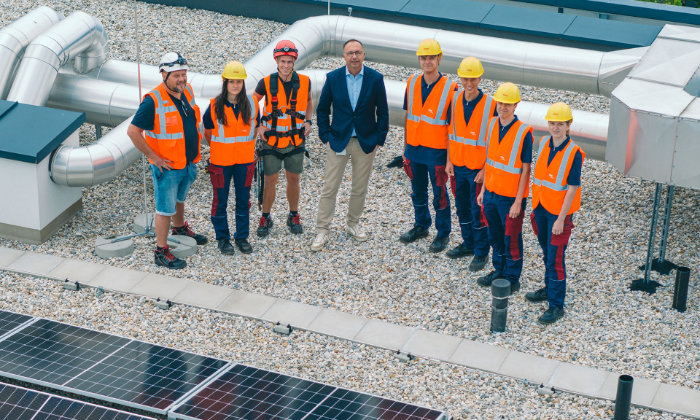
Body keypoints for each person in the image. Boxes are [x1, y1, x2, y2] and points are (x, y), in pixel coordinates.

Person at [127, 52, 207, 270]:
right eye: (176, 75)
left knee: (179, 199)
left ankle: (179, 228)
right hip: (168, 167)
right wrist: (154, 157)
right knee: (164, 209)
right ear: (164, 74)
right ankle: (161, 251)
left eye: (183, 74)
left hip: (187, 161)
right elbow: (133, 132)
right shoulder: (152, 101)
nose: (181, 79)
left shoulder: (187, 90)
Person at [311, 39, 389, 252]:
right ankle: (322, 229)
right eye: (350, 53)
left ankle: (353, 223)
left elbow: (383, 111)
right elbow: (322, 109)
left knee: (359, 188)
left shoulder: (375, 79)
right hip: (338, 141)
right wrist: (325, 136)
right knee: (330, 187)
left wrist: (378, 139)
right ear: (343, 56)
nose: (354, 56)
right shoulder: (333, 78)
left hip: (365, 142)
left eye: (357, 52)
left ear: (363, 55)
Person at [526, 102, 584, 325]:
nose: (556, 127)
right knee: (547, 253)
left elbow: (572, 188)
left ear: (568, 125)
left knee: (556, 258)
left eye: (560, 124)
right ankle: (549, 289)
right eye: (552, 123)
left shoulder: (574, 153)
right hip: (541, 208)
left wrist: (561, 219)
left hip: (558, 215)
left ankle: (556, 305)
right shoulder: (544, 143)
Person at [400, 38, 458, 253]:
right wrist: (405, 148)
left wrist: (450, 159)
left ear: (439, 59)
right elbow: (409, 116)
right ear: (419, 60)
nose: (427, 61)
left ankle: (443, 233)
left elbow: (453, 128)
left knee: (439, 194)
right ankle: (421, 225)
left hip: (436, 152)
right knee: (417, 192)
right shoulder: (412, 82)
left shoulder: (450, 88)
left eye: (431, 57)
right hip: (415, 149)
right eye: (423, 58)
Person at [476, 82, 533, 294]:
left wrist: (518, 202)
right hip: (491, 193)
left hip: (510, 198)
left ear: (516, 105)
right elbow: (489, 160)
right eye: (500, 103)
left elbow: (526, 170)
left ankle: (512, 278)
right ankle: (499, 270)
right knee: (495, 235)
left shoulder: (523, 133)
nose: (503, 107)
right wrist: (483, 190)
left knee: (512, 238)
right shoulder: (492, 124)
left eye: (508, 104)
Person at [253, 40, 312, 237]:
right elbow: (252, 102)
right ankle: (266, 216)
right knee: (270, 181)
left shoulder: (305, 81)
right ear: (276, 61)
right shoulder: (265, 82)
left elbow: (309, 101)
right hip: (271, 141)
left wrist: (308, 121)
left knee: (294, 179)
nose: (286, 65)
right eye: (282, 61)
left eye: (289, 61)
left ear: (294, 61)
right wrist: (258, 125)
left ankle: (293, 214)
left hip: (295, 140)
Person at [445, 57, 497, 272]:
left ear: (480, 78)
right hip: (458, 165)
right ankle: (468, 243)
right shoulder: (455, 99)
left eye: (473, 79)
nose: (469, 83)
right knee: (462, 208)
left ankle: (481, 251)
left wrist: (485, 169)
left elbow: (496, 141)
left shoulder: (491, 105)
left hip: (477, 169)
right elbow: (451, 132)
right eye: (465, 79)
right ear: (460, 78)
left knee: (478, 211)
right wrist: (449, 160)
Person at [203, 61, 259, 255]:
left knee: (243, 201)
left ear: (243, 83)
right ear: (225, 82)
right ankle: (223, 238)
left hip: (245, 161)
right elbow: (208, 133)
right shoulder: (213, 106)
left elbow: (255, 129)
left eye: (239, 81)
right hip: (221, 163)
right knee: (220, 202)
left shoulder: (252, 104)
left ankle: (242, 237)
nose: (235, 85)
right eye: (232, 81)